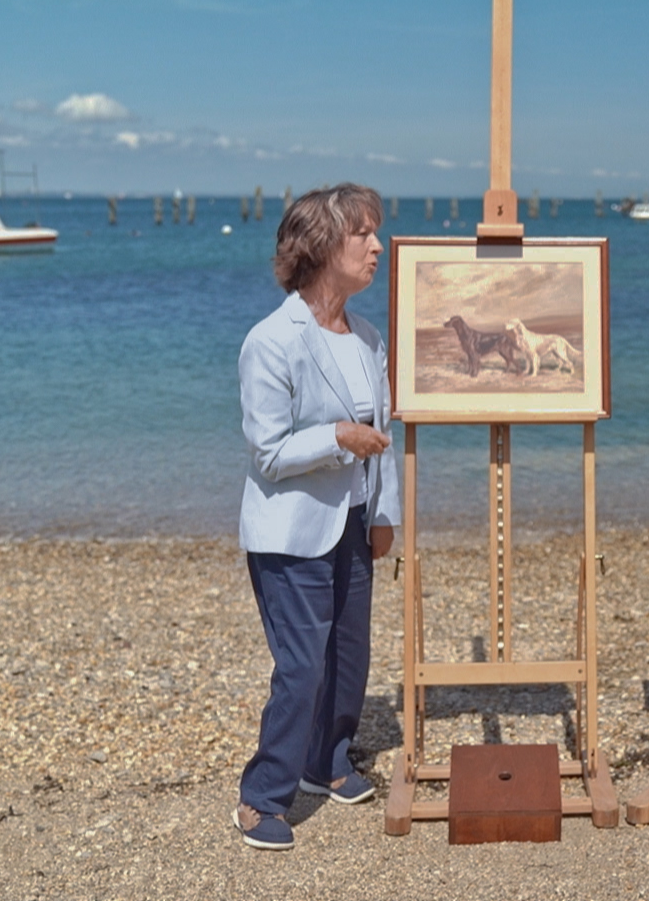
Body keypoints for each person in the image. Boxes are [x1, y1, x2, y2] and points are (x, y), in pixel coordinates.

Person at [231, 183, 400, 850]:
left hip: (352, 524)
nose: (377, 246)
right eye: (363, 234)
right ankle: (261, 798)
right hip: (290, 533)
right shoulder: (271, 341)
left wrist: (383, 513)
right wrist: (337, 437)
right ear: (323, 245)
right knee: (302, 668)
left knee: (350, 658)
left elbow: (385, 437)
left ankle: (326, 763)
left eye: (375, 233)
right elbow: (268, 453)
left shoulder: (368, 338)